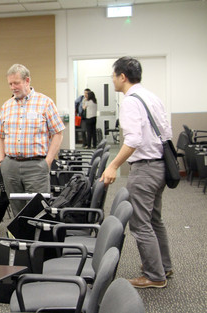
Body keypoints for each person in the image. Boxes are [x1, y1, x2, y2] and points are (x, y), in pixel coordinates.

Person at [101, 56, 173, 289]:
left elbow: (133, 139)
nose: (112, 80)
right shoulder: (152, 97)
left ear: (122, 76)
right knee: (154, 219)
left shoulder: (131, 101)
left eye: (113, 75)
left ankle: (154, 275)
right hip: (160, 165)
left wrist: (112, 165)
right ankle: (164, 265)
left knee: (140, 223)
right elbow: (167, 132)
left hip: (145, 169)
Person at [0, 64, 65, 215]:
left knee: (38, 210)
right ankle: (19, 238)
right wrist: (2, 161)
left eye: (16, 83)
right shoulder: (6, 107)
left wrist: (48, 161)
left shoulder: (45, 103)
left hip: (36, 166)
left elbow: (58, 133)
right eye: (10, 84)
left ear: (27, 81)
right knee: (16, 209)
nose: (13, 87)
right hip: (11, 166)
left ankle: (36, 239)